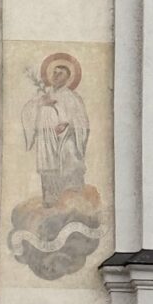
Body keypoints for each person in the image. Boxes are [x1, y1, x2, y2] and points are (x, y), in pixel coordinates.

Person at [22, 63, 89, 207]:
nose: (56, 76)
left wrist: (66, 125)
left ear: (68, 78)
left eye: (60, 74)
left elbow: (81, 120)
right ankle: (50, 200)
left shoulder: (71, 97)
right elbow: (27, 110)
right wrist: (41, 102)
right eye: (55, 72)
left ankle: (71, 201)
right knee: (47, 166)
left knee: (69, 161)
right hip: (45, 138)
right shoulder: (43, 94)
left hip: (64, 138)